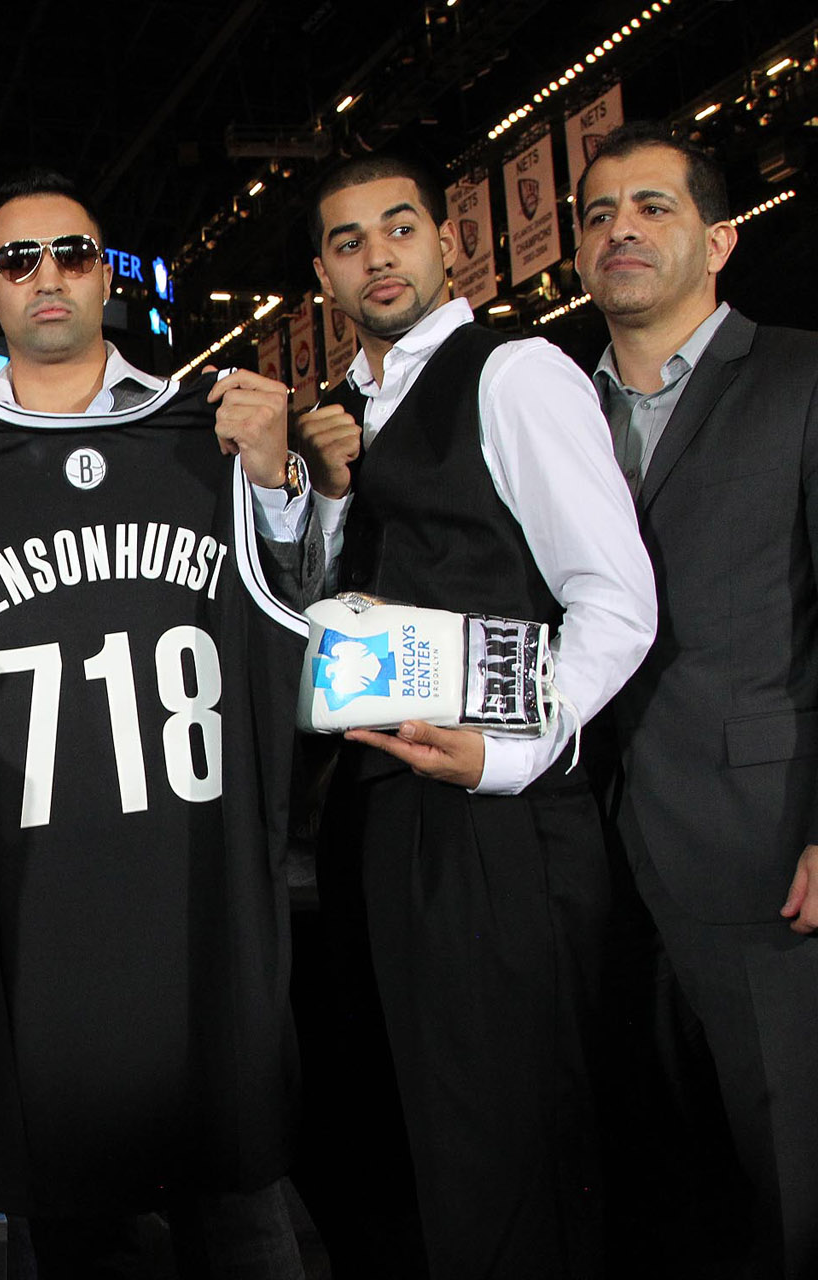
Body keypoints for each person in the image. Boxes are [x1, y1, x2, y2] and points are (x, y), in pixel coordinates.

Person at [0, 168, 315, 1279]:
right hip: (47, 946)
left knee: (245, 1232)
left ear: (106, 274)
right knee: (83, 1245)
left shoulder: (212, 434)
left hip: (201, 919)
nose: (48, 275)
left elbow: (308, 614)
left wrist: (280, 480)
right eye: (18, 259)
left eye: (72, 252)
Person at [293, 153, 656, 1277]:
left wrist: (509, 754)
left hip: (502, 824)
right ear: (323, 276)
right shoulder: (341, 419)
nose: (378, 256)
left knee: (512, 1152)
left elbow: (616, 601)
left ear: (448, 242)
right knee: (428, 1153)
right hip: (383, 820)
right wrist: (320, 496)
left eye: (399, 227)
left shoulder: (515, 373)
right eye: (349, 241)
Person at [575, 121, 818, 1279]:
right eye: (597, 214)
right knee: (656, 1196)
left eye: (652, 207)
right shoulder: (554, 412)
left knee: (796, 1175)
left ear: (719, 240)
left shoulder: (803, 377)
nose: (619, 229)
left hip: (765, 853)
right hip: (590, 863)